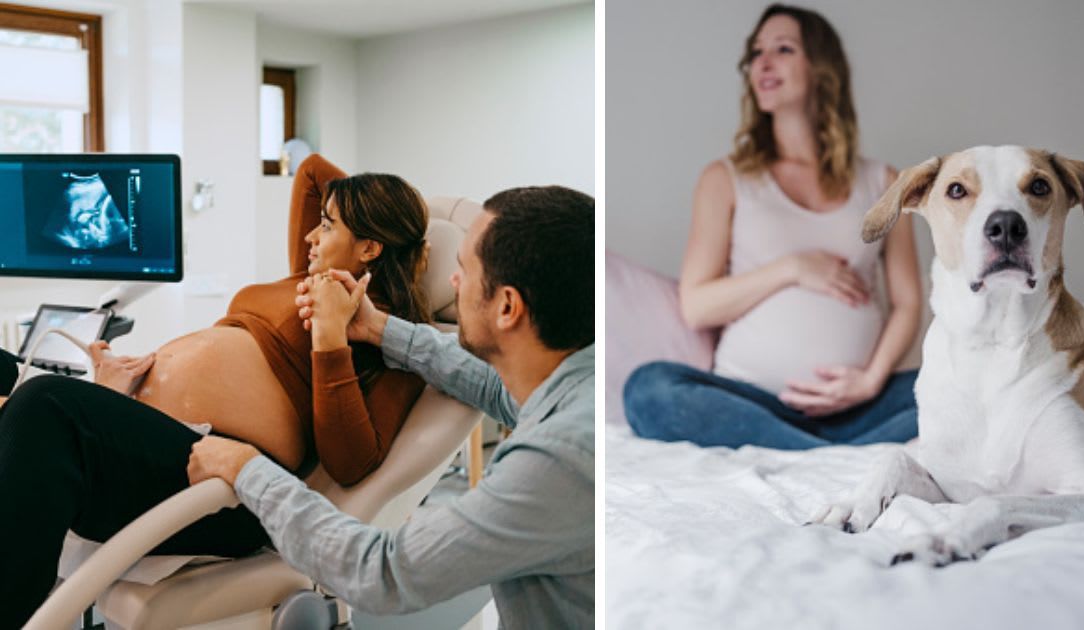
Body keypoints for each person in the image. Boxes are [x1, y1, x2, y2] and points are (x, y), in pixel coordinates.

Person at [0, 154, 432, 626]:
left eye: (326, 227)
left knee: (45, 405)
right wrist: (379, 218)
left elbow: (352, 465)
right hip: (150, 436)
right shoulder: (305, 278)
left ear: (369, 248)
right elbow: (311, 171)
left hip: (221, 480)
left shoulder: (392, 339)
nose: (311, 235)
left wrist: (331, 337)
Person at [187, 185, 596, 628]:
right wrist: (377, 328)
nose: (452, 282)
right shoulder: (575, 382)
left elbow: (382, 574)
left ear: (508, 306)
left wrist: (248, 470)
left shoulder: (559, 459)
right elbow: (495, 390)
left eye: (463, 270)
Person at [623, 4, 923, 450]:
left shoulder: (883, 182)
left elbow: (908, 302)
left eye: (783, 49)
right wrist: (793, 268)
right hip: (751, 402)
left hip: (859, 406)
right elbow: (697, 306)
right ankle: (822, 457)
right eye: (756, 53)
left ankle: (807, 451)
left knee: (964, 383)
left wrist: (869, 380)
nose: (762, 63)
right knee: (648, 390)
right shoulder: (726, 179)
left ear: (822, 69)